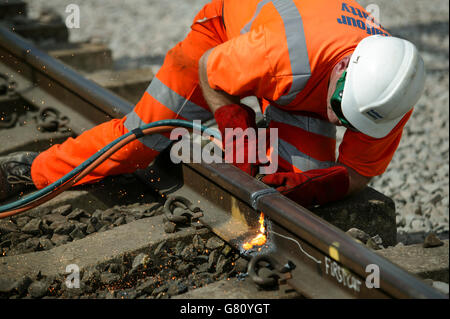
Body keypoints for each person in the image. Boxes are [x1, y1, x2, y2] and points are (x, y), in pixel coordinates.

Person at [0, 0, 425, 208]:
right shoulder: (283, 54)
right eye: (338, 108)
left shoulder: (389, 92)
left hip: (293, 80)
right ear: (344, 69)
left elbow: (356, 173)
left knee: (304, 189)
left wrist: (325, 183)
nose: (338, 122)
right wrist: (235, 125)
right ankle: (36, 171)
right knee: (139, 141)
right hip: (222, 37)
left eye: (347, 120)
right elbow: (211, 69)